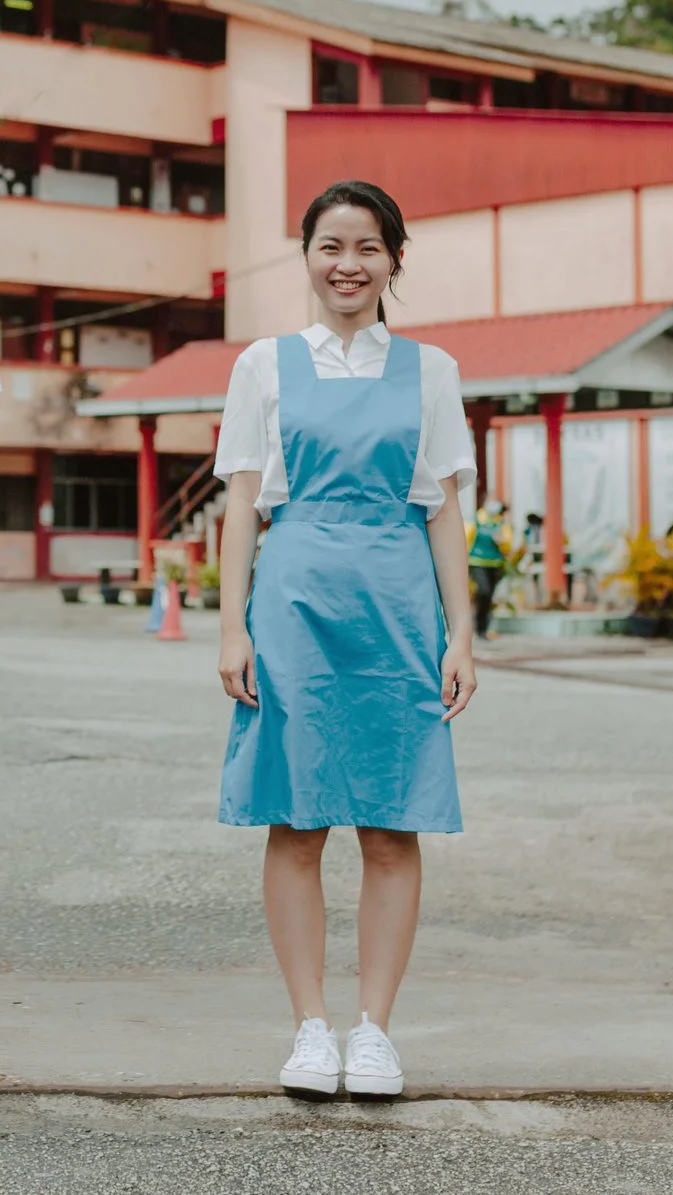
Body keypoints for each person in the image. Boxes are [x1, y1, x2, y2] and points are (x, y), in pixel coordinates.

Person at [214, 179, 479, 1099]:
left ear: (393, 261)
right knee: (295, 820)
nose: (348, 264)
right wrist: (231, 627)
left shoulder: (432, 370)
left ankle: (375, 1031)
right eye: (331, 245)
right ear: (307, 256)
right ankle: (309, 1028)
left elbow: (446, 510)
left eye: (368, 247)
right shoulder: (265, 365)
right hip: (293, 604)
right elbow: (242, 504)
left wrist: (461, 636)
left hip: (399, 609)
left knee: (392, 825)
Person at [465, 501, 508, 640]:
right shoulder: (476, 520)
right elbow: (466, 539)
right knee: (484, 591)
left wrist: (502, 542)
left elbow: (508, 545)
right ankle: (478, 624)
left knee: (489, 596)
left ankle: (483, 628)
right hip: (476, 562)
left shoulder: (501, 523)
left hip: (495, 564)